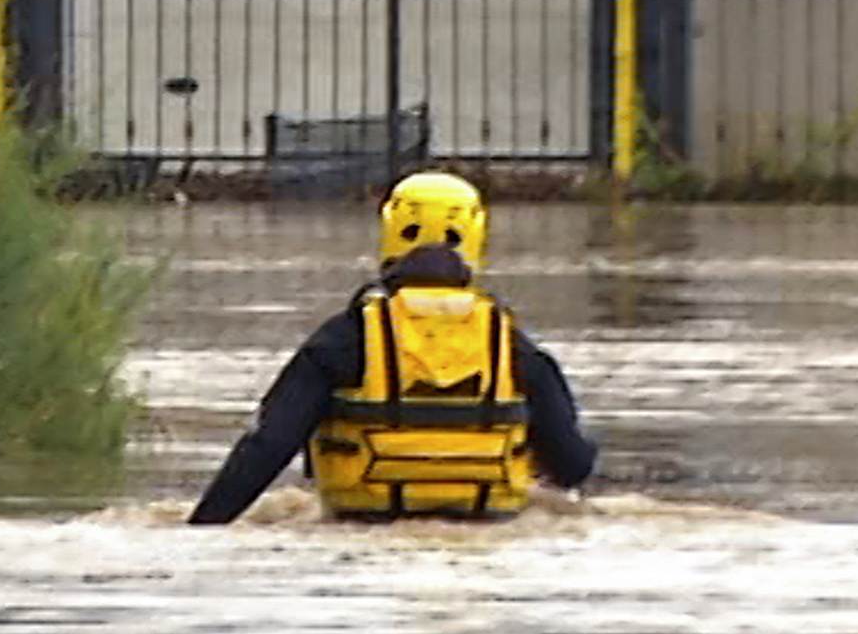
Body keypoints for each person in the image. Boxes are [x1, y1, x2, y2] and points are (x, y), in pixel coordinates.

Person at [188, 170, 597, 525]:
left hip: (363, 523)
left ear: (390, 232)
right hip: (487, 524)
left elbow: (268, 447)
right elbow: (573, 464)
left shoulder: (345, 338)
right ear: (476, 237)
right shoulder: (510, 343)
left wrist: (202, 527)